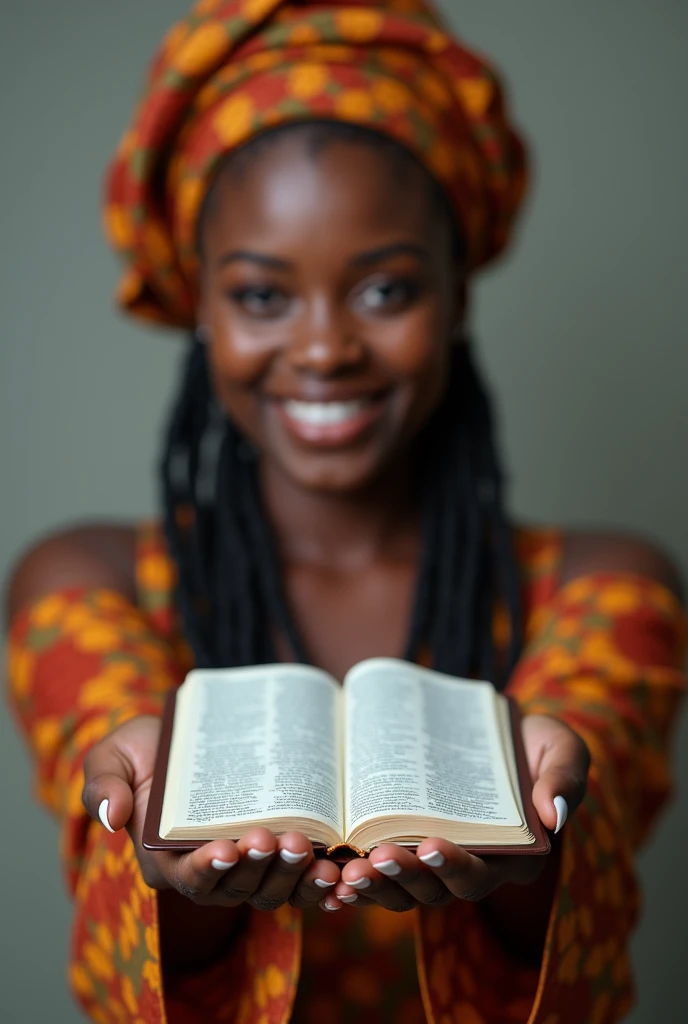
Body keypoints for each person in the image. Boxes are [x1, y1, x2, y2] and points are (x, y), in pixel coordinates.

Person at [5, 0, 686, 1021]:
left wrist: (535, 848)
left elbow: (582, 946)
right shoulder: (83, 582)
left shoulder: (603, 587)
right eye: (262, 296)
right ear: (199, 302)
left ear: (457, 295)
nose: (323, 348)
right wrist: (162, 860)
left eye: (382, 291)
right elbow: (116, 932)